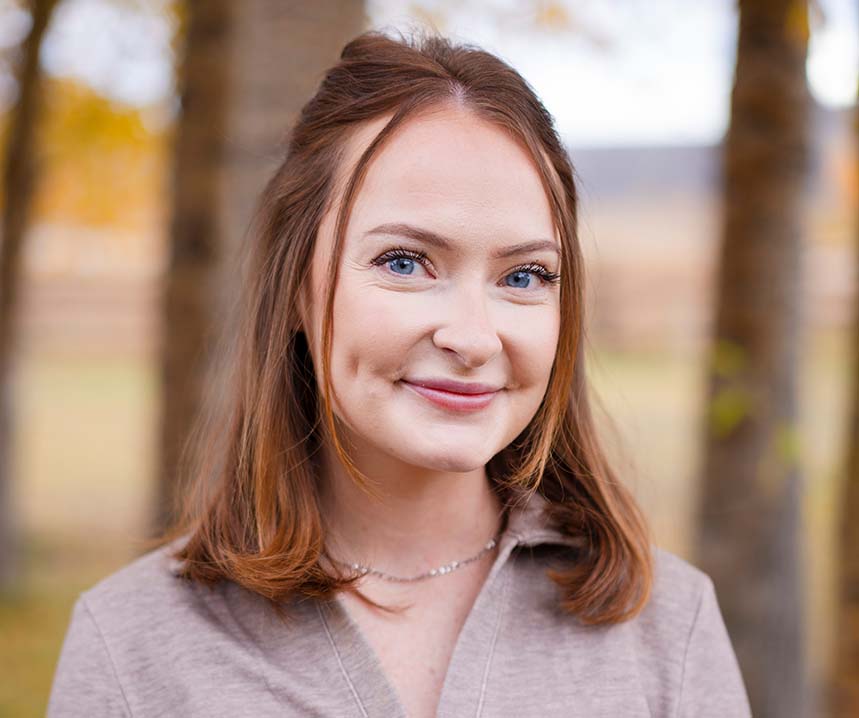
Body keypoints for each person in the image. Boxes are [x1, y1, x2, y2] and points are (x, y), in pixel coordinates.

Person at [47, 29, 752, 718]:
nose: (473, 337)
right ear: (296, 288)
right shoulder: (131, 647)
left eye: (524, 275)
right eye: (405, 263)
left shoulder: (665, 626)